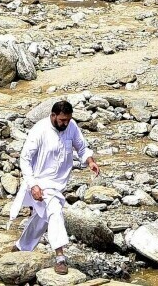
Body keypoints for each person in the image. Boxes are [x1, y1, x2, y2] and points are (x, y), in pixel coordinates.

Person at [10, 100, 100, 273]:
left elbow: (81, 147)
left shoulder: (71, 126)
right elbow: (25, 159)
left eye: (67, 120)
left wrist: (90, 161)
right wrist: (33, 185)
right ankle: (60, 257)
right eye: (62, 120)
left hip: (58, 184)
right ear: (53, 116)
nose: (65, 124)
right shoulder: (40, 130)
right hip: (40, 183)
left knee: (43, 218)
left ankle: (21, 246)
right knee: (55, 211)